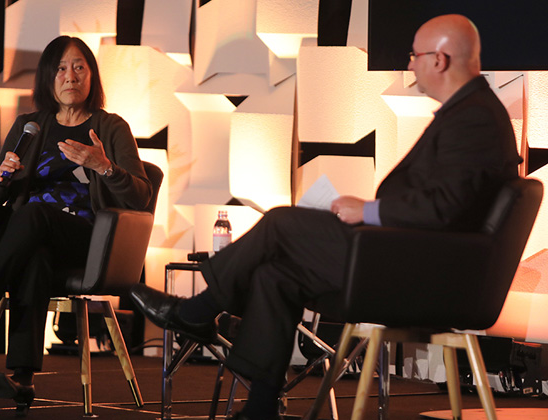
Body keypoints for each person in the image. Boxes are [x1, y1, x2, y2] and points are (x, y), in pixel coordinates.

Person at [129, 14, 522, 420]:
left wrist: (368, 211)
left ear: (439, 60)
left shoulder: (474, 117)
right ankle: (260, 407)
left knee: (281, 223)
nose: (409, 66)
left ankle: (196, 312)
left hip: (424, 272)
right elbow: (445, 204)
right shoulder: (470, 111)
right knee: (276, 275)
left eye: (414, 56)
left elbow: (446, 209)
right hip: (410, 256)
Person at [0, 36, 152, 415]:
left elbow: (140, 196)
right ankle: (22, 379)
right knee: (34, 257)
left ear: (91, 76)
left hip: (88, 241)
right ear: (47, 79)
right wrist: (4, 178)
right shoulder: (29, 127)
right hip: (31, 237)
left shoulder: (111, 127)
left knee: (35, 215)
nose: (70, 76)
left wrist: (102, 165)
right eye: (60, 69)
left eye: (79, 67)